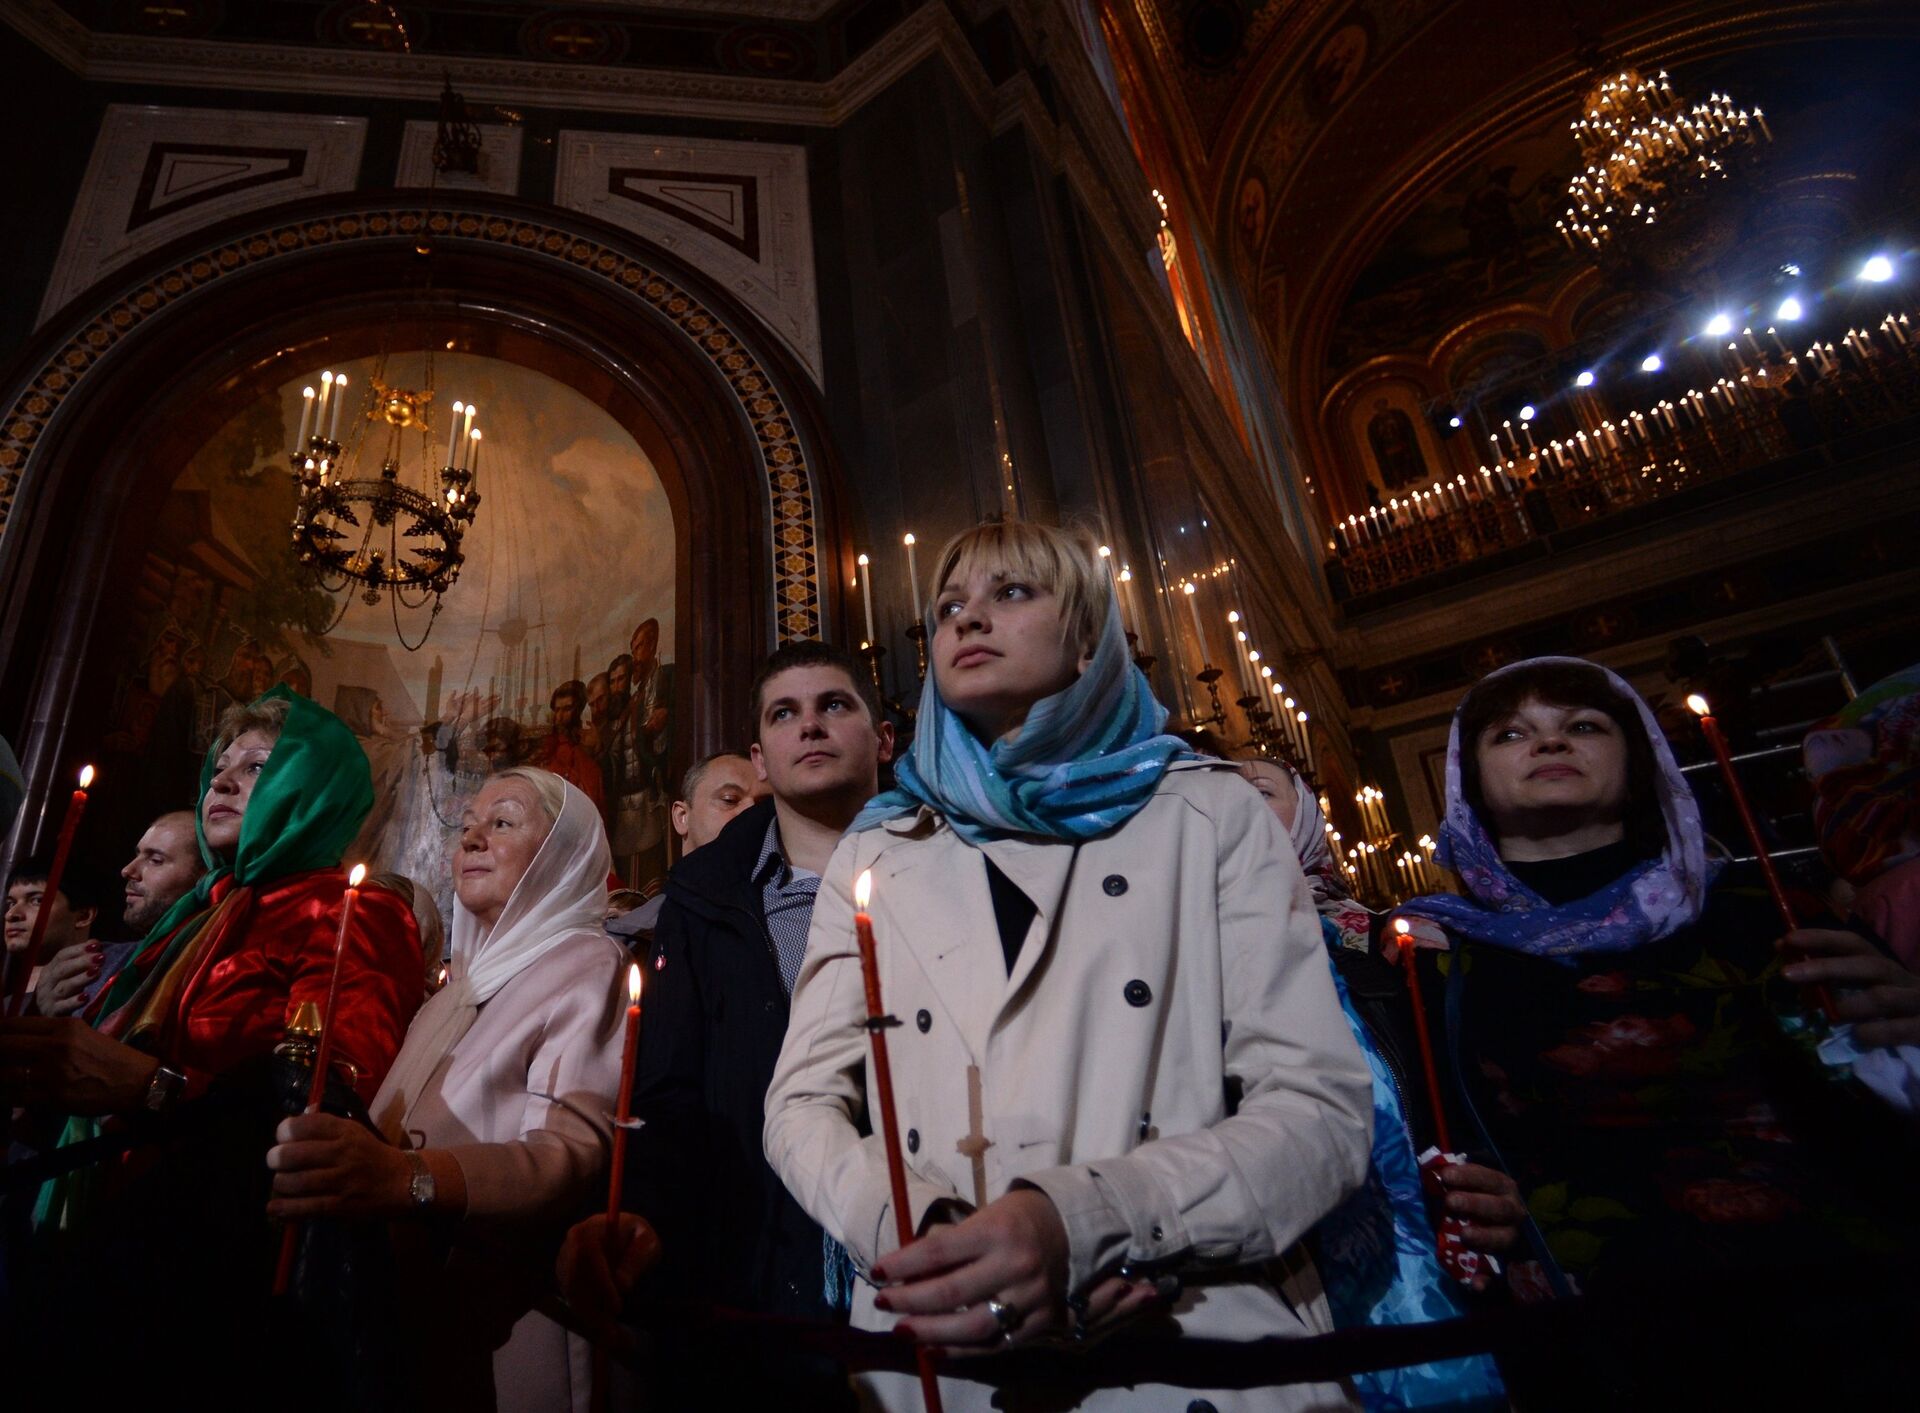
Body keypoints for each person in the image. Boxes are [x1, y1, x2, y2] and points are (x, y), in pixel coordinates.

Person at [763, 521, 1372, 1412]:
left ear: (1088, 636)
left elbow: (1319, 1108)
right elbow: (800, 1103)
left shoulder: (1204, 814)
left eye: (1012, 594)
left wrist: (1093, 1221)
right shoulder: (882, 851)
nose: (969, 620)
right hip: (944, 1332)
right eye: (949, 607)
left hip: (1184, 1318)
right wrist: (922, 1228)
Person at [1394, 656, 1920, 1404]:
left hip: (1847, 1298)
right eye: (1512, 733)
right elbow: (1434, 1132)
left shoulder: (1763, 901)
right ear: (1468, 780)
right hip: (1604, 1333)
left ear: (1638, 760)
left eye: (1582, 725)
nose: (1549, 743)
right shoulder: (1437, 954)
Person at [0, 688, 423, 1396]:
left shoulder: (352, 910)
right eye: (220, 766)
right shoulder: (201, 911)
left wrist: (149, 1086)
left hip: (215, 1262)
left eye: (257, 766)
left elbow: (323, 1106)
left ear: (312, 785)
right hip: (100, 1224)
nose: (221, 780)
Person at [557, 642, 894, 1408]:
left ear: (883, 739)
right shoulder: (703, 901)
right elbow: (672, 1090)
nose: (809, 725)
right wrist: (638, 1210)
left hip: (920, 1249)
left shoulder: (949, 867)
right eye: (785, 713)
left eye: (833, 705)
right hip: (755, 1267)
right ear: (761, 759)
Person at [269, 767, 626, 1412]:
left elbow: (569, 1154)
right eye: (465, 826)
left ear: (561, 854)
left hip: (506, 1311)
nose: (472, 840)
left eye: (503, 822)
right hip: (403, 1304)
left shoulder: (587, 961)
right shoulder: (453, 992)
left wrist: (409, 1178)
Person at [1238, 755, 1509, 1411]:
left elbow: (1461, 1081)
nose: (1237, 803)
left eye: (1261, 791)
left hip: (1407, 1234)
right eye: (1220, 791)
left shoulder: (1392, 940)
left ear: (1305, 819)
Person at [33, 810, 206, 1017]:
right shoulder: (98, 962)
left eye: (156, 860)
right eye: (137, 855)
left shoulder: (215, 969)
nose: (127, 870)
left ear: (205, 877)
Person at [605, 751, 761, 946]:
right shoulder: (624, 941)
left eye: (764, 805)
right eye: (730, 799)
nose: (751, 812)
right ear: (682, 817)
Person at [5, 855, 112, 1000]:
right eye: (11, 903)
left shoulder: (113, 982)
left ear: (83, 916)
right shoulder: (7, 1000)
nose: (11, 914)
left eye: (37, 900)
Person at [533, 679, 605, 811]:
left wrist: (596, 750)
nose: (560, 717)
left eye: (567, 709)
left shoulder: (588, 744)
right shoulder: (547, 749)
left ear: (579, 710)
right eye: (557, 710)